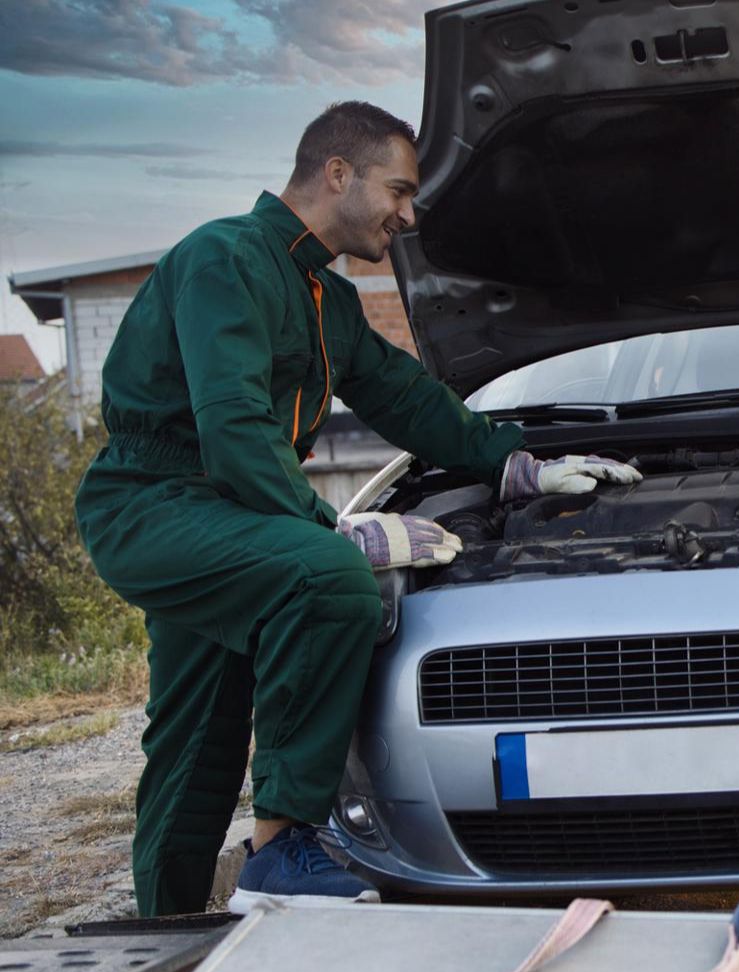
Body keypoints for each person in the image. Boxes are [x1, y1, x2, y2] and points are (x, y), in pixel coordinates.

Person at [73, 102, 641, 916]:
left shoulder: (326, 302)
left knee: (197, 738)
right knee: (328, 578)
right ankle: (279, 853)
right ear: (338, 174)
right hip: (157, 504)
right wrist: (334, 529)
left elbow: (408, 399)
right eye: (398, 191)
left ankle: (163, 927)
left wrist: (517, 464)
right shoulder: (224, 259)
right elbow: (231, 422)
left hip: (227, 513)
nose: (407, 217)